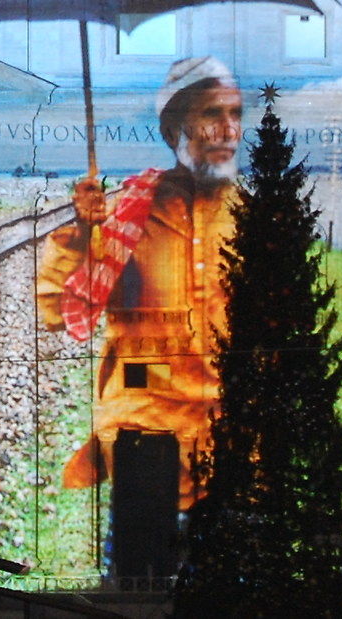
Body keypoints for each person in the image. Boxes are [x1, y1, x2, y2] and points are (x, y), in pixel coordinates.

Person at [36, 55, 243, 507]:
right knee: (139, 575)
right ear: (174, 131)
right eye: (212, 114)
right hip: (147, 446)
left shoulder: (253, 221)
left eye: (235, 114)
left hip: (236, 451)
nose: (228, 130)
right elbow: (56, 311)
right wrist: (84, 232)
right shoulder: (130, 212)